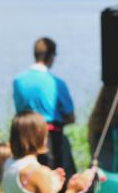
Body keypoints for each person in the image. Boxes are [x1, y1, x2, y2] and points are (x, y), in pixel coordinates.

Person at [12, 37, 77, 184]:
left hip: (23, 136)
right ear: (51, 55)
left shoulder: (18, 81)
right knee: (53, 180)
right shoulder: (57, 83)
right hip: (50, 139)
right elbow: (70, 116)